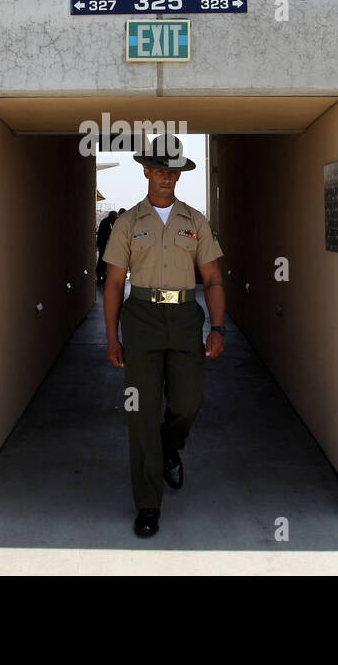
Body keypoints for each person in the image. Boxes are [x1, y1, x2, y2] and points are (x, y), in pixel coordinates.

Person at [102, 134, 225, 539]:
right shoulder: (128, 222)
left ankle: (169, 446)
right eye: (160, 171)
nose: (167, 178)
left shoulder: (196, 221)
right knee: (140, 413)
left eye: (173, 172)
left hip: (186, 317)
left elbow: (212, 278)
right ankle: (148, 505)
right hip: (141, 318)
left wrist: (217, 327)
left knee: (189, 401)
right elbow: (115, 283)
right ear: (147, 172)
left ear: (178, 175)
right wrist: (112, 337)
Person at [95, 210, 118, 285]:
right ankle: (99, 277)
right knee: (102, 261)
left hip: (105, 245)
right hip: (103, 245)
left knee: (105, 261)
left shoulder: (109, 222)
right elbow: (103, 235)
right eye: (115, 218)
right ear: (112, 217)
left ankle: (104, 277)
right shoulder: (105, 222)